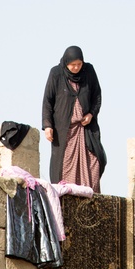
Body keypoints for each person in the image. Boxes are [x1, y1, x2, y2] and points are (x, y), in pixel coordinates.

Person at [41, 45, 105, 191]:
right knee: (65, 166)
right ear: (66, 63)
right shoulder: (56, 73)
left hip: (86, 129)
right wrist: (48, 126)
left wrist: (91, 114)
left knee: (93, 162)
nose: (76, 68)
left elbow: (97, 96)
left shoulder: (88, 71)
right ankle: (69, 200)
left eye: (79, 64)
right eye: (73, 65)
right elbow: (47, 101)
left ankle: (91, 197)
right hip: (65, 131)